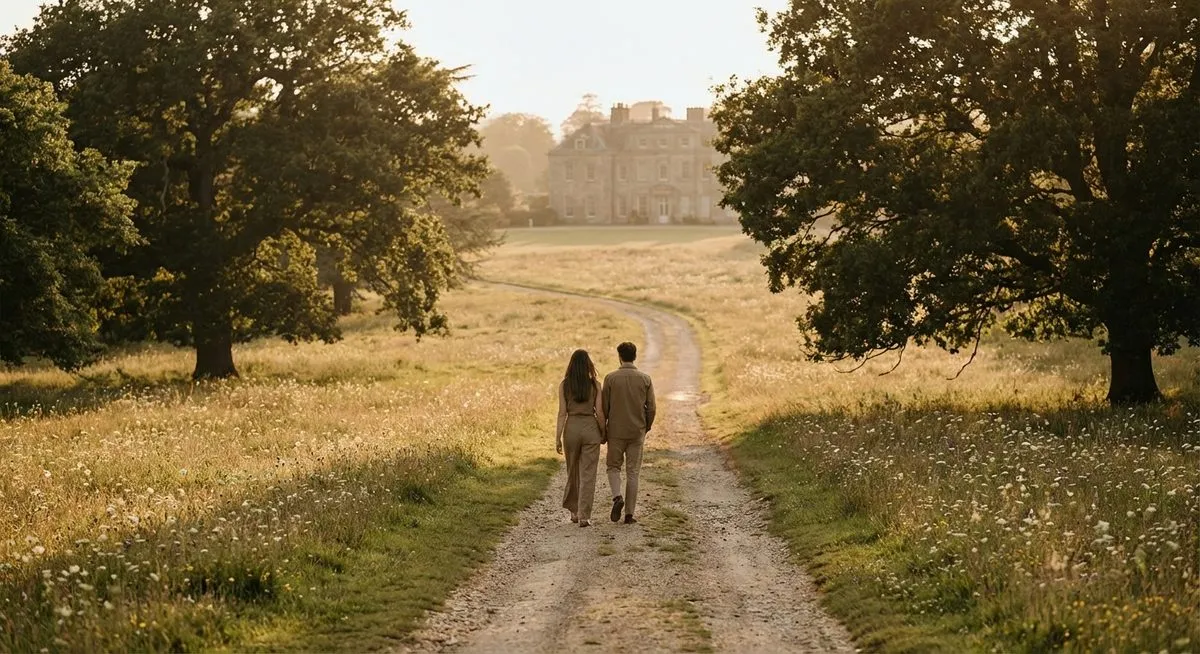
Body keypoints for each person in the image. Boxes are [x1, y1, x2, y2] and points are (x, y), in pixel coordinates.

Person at [602, 342, 656, 524]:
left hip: (616, 431)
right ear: (635, 356)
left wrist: (605, 429)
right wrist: (646, 427)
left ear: (619, 356)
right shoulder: (645, 379)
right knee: (633, 472)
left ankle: (617, 497)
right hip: (636, 431)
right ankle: (629, 515)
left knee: (613, 467)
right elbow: (651, 408)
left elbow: (604, 407)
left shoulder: (610, 379)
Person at [556, 349, 607, 527]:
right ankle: (585, 516)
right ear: (588, 365)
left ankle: (574, 512)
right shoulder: (595, 385)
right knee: (588, 474)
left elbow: (562, 413)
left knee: (573, 471)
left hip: (571, 429)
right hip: (590, 427)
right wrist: (603, 431)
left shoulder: (564, 385)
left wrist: (557, 437)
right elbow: (599, 412)